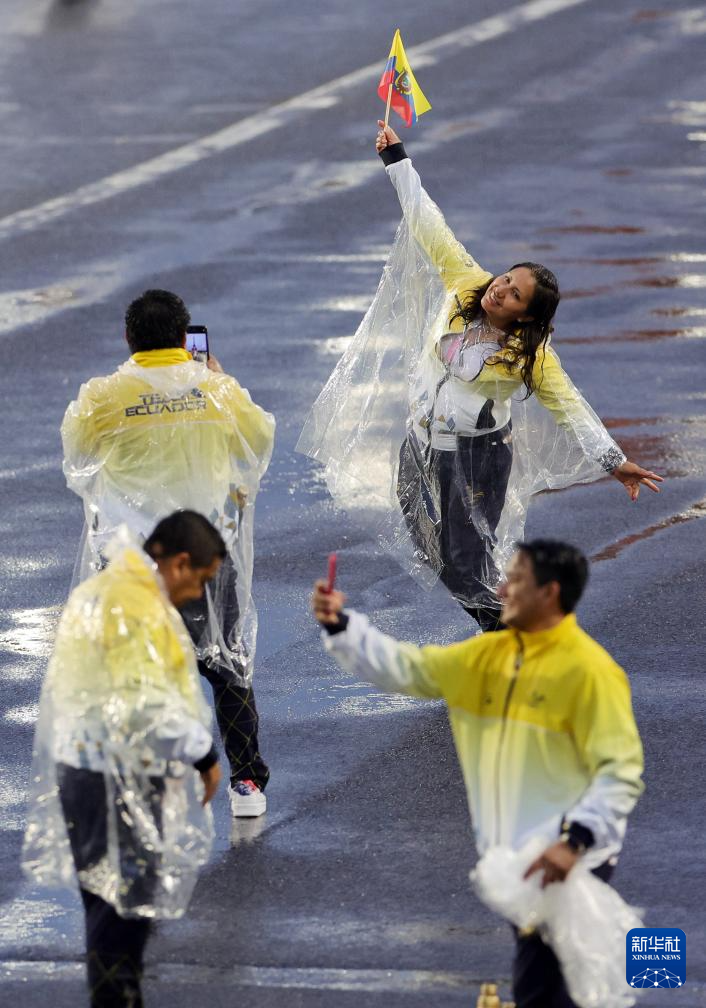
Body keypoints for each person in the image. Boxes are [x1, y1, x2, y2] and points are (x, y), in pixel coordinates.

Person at [298, 126, 662, 631]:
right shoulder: (467, 282)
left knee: (464, 561)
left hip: (475, 460)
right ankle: (500, 622)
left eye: (514, 295)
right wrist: (396, 159)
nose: (500, 291)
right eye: (505, 280)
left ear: (526, 316)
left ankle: (510, 633)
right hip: (421, 444)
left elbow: (571, 407)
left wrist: (613, 461)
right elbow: (428, 222)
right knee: (433, 550)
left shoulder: (530, 356)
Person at [312, 539, 644, 1008]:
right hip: (518, 857)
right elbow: (408, 668)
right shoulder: (486, 656)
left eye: (516, 580)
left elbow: (620, 770)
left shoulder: (590, 671)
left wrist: (575, 842)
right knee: (557, 982)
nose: (501, 588)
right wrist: (342, 627)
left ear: (550, 593)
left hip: (564, 855)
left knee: (545, 986)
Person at [61, 289, 275, 816]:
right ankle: (246, 782)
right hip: (204, 553)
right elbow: (258, 442)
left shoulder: (103, 396)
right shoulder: (216, 390)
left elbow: (78, 456)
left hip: (132, 563)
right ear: (185, 339)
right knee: (226, 663)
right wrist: (218, 382)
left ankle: (143, 782)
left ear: (129, 339)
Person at [23, 511, 225, 1008]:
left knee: (111, 905)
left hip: (86, 769)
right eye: (201, 581)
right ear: (179, 563)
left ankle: (117, 997)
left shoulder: (112, 589)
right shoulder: (132, 605)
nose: (199, 595)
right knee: (121, 912)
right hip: (112, 777)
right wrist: (204, 754)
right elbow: (142, 704)